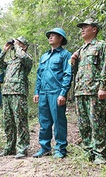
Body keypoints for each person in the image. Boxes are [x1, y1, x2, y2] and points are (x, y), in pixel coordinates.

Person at [71, 18, 106, 164]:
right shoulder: (81, 50)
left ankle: (100, 154)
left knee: (98, 123)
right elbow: (76, 72)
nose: (82, 30)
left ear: (94, 29)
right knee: (83, 124)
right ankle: (88, 151)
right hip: (80, 91)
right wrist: (73, 60)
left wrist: (103, 87)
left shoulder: (102, 46)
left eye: (85, 27)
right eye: (81, 27)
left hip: (95, 91)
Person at [33, 28, 72, 159]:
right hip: (43, 93)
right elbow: (39, 75)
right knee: (44, 122)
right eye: (49, 35)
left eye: (53, 35)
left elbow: (68, 74)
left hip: (56, 93)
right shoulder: (44, 56)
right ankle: (45, 148)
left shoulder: (66, 55)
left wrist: (63, 93)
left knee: (59, 121)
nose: (50, 37)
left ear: (60, 38)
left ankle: (60, 149)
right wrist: (36, 92)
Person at [0, 36, 33, 159]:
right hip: (7, 93)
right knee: (8, 122)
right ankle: (10, 147)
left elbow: (23, 57)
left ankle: (22, 148)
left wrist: (17, 46)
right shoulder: (11, 61)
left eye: (20, 43)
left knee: (20, 121)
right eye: (16, 43)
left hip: (19, 93)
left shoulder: (26, 59)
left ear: (25, 46)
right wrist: (5, 50)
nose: (16, 44)